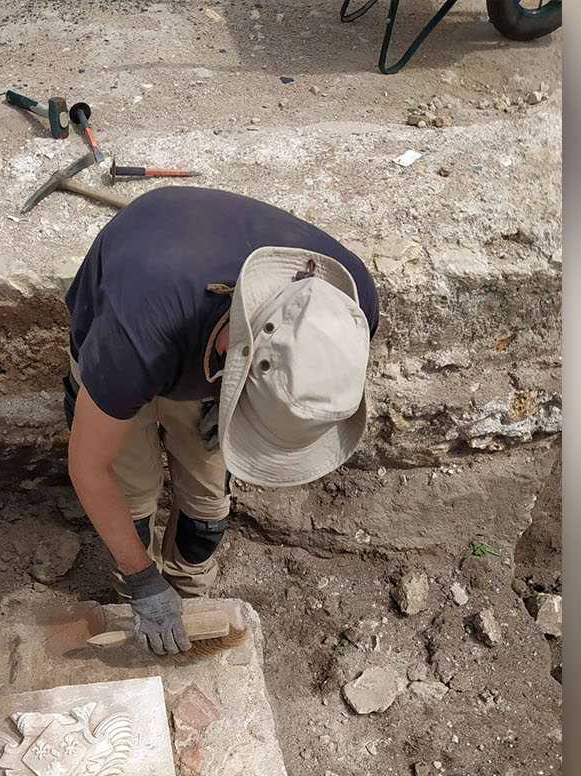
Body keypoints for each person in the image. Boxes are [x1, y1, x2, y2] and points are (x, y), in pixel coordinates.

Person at [62, 187, 380, 655]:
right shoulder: (137, 335)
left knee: (205, 517)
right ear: (232, 357)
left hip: (199, 339)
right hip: (140, 319)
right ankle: (136, 597)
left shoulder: (349, 305)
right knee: (132, 502)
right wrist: (144, 582)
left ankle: (187, 602)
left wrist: (237, 411)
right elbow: (88, 469)